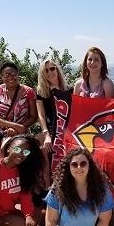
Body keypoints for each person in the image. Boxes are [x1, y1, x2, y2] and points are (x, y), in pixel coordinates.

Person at [0, 61, 38, 169]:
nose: (10, 77)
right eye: (6, 74)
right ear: (1, 76)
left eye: (13, 74)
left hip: (20, 130)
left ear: (18, 74)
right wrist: (14, 126)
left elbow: (33, 116)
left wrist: (18, 128)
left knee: (8, 158)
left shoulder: (28, 92)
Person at [36, 59, 72, 188]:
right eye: (46, 70)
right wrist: (46, 134)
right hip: (51, 129)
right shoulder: (41, 93)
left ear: (57, 70)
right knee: (44, 149)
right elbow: (41, 115)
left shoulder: (69, 90)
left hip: (67, 129)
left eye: (52, 68)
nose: (50, 72)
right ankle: (48, 187)